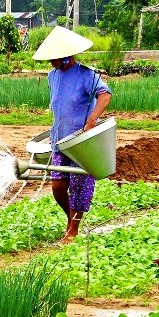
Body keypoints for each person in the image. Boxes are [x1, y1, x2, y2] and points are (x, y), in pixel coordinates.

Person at [32, 26, 113, 243]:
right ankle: (72, 220)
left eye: (55, 59)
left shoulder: (88, 75)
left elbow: (105, 95)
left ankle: (73, 229)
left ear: (68, 57)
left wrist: (92, 119)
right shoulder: (52, 76)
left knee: (79, 186)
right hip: (60, 140)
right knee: (58, 187)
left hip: (81, 142)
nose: (52, 63)